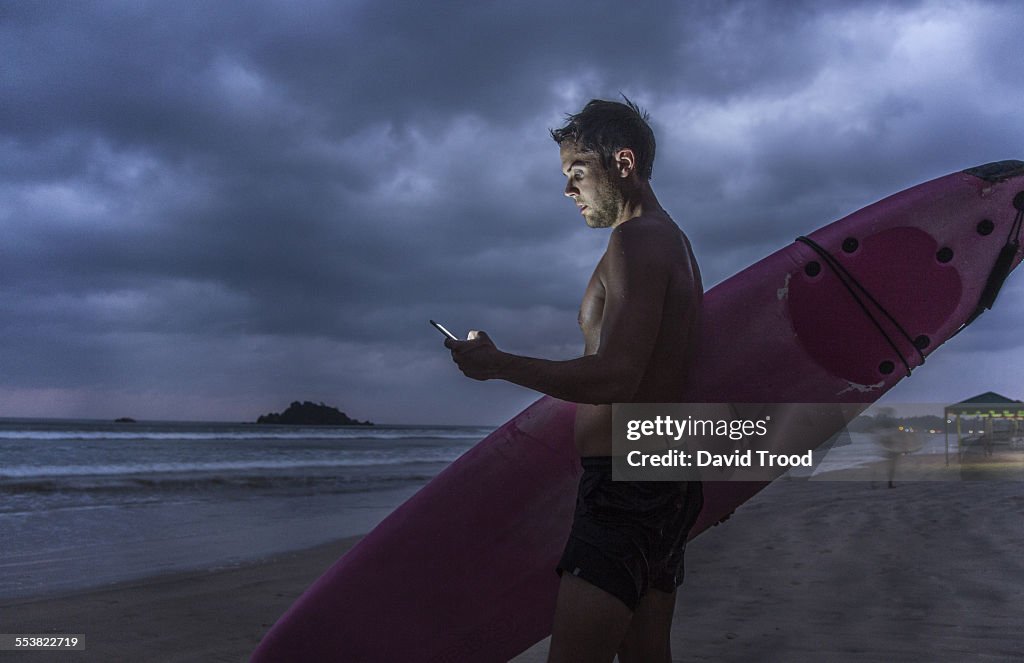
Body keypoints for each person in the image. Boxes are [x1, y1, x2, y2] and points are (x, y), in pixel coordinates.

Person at [444, 97, 704, 663]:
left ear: (624, 164)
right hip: (662, 476)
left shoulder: (635, 242)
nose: (568, 191)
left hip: (626, 487)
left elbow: (617, 377)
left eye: (577, 173)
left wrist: (499, 364)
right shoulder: (675, 243)